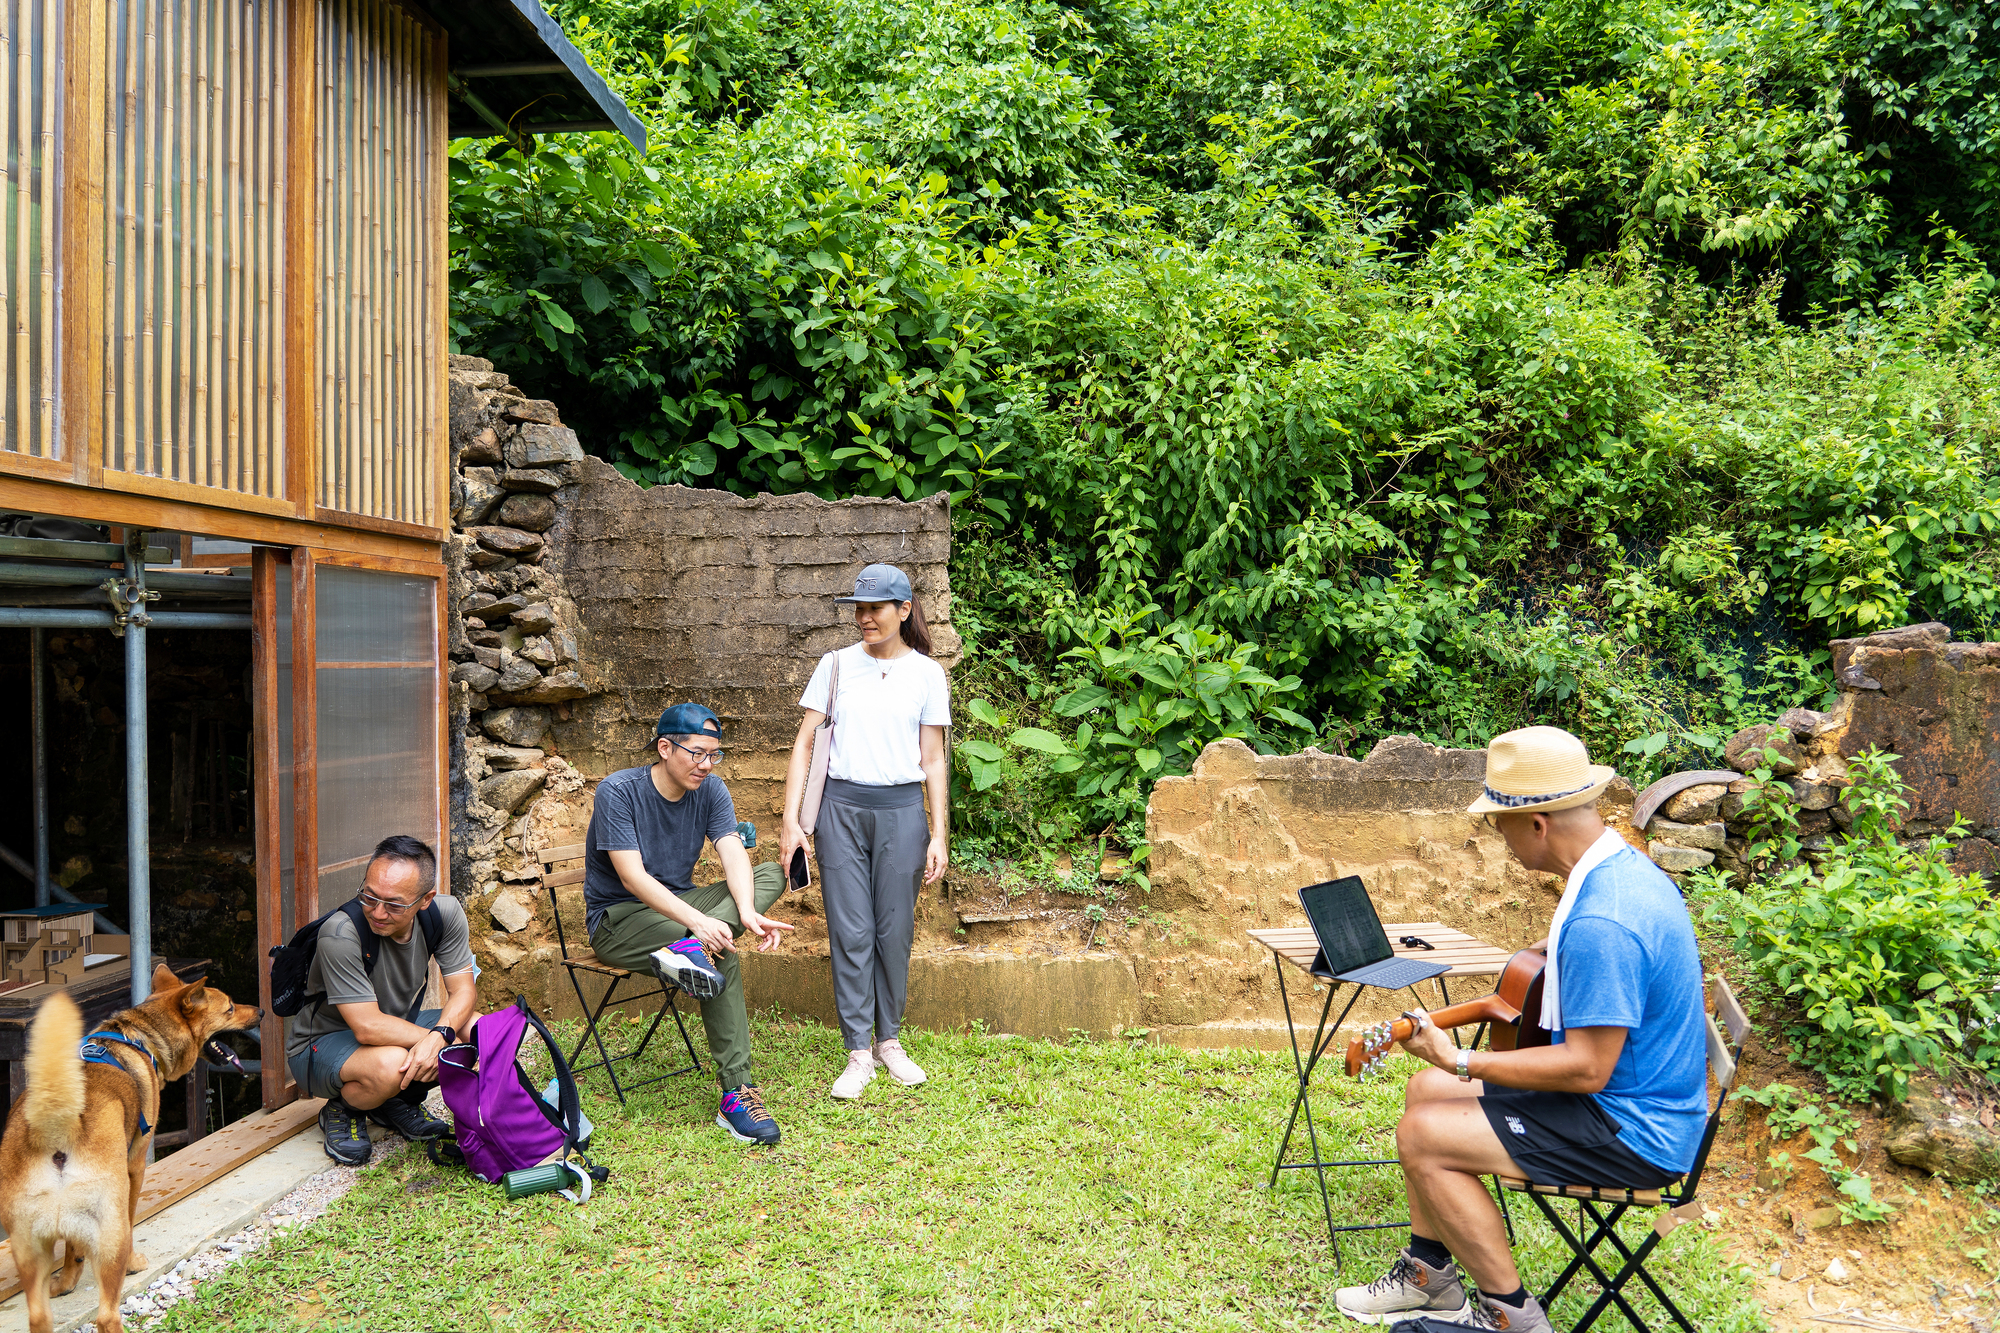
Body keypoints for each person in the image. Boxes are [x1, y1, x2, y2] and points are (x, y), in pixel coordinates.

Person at [1334, 726, 1708, 1331]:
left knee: (1425, 1133)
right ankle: (1430, 1278)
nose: (1496, 837)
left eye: (1497, 823)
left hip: (1638, 1132)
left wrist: (1461, 1059)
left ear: (1536, 822)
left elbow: (1588, 1068)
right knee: (1422, 1095)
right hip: (1637, 1103)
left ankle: (1511, 1316)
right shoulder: (1615, 871)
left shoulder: (1603, 920)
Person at [584, 703, 793, 1145]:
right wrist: (700, 922)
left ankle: (693, 949)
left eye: (714, 755)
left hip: (677, 907)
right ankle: (737, 1092)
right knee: (720, 951)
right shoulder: (618, 791)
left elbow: (731, 850)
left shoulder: (711, 790)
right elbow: (632, 878)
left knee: (770, 874)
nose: (706, 765)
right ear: (665, 747)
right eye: (697, 753)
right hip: (620, 920)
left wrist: (748, 911)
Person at [779, 562, 951, 1101]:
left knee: (892, 931)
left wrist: (939, 832)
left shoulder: (927, 673)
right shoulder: (833, 666)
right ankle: (858, 1051)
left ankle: (890, 1042)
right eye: (858, 608)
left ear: (903, 611)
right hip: (841, 811)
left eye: (875, 608)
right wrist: (790, 821)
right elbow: (805, 743)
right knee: (849, 931)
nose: (864, 618)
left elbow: (933, 759)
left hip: (902, 812)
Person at [287, 835, 477, 1167]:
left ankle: (390, 1102)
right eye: (369, 896)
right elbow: (368, 1028)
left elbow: (463, 991)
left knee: (477, 1030)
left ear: (426, 899)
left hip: (390, 1031)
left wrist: (442, 1036)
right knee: (394, 1064)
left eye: (393, 904)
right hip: (319, 1044)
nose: (377, 912)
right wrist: (438, 1040)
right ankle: (343, 1107)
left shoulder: (444, 914)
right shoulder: (341, 933)